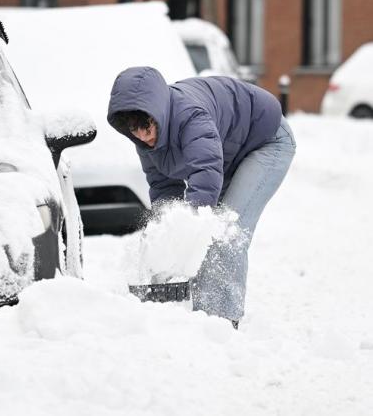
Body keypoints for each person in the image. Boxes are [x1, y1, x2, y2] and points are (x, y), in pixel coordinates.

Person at [107, 66, 296, 328]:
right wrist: (166, 238)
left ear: (158, 112)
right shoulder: (145, 142)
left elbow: (205, 176)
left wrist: (190, 232)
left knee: (224, 230)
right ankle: (188, 320)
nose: (143, 136)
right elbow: (163, 189)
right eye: (134, 130)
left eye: (146, 127)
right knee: (189, 230)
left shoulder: (191, 117)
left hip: (266, 141)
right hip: (229, 152)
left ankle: (219, 326)